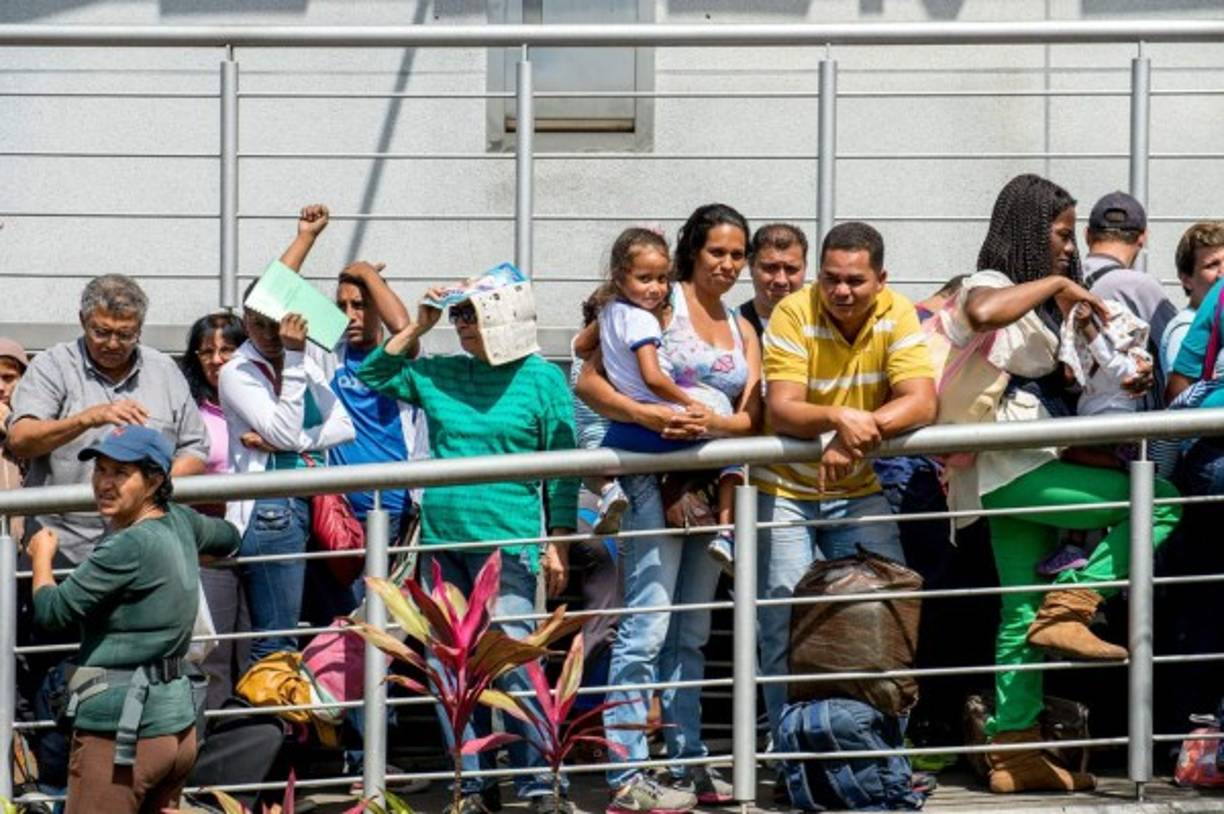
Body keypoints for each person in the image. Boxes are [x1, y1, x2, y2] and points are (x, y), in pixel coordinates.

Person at [941, 173, 1181, 793]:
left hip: (1011, 469)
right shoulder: (990, 282)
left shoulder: (1043, 306)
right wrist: (1060, 285)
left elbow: (1057, 389)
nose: (1070, 247)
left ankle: (1014, 749)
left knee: (1020, 611)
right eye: (1060, 233)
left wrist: (1122, 380)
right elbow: (983, 313)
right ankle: (1077, 597)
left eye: (1071, 237)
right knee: (1161, 501)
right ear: (1027, 230)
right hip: (1013, 466)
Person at [357, 273, 578, 814]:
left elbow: (565, 471)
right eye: (458, 316)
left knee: (516, 662)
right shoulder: (442, 372)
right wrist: (418, 325)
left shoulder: (542, 379)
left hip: (510, 543)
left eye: (471, 316)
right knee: (453, 670)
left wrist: (559, 542)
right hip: (443, 542)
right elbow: (374, 373)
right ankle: (473, 784)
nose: (462, 327)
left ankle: (540, 784)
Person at [577, 203, 761, 812]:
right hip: (651, 475)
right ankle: (627, 774)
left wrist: (717, 423)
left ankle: (686, 761)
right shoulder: (655, 302)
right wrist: (648, 414)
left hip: (709, 484)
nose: (729, 265)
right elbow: (588, 381)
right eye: (718, 252)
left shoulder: (741, 324)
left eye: (738, 254)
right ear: (692, 251)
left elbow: (750, 415)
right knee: (646, 627)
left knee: (692, 631)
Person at [754, 220, 935, 743]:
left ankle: (883, 758)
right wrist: (840, 417)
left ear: (882, 279)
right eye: (831, 278)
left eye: (855, 280)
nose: (841, 291)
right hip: (783, 490)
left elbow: (923, 399)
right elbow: (783, 409)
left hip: (856, 487)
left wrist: (856, 429)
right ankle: (790, 757)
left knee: (889, 610)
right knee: (784, 624)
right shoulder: (794, 311)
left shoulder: (897, 311)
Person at [27, 425, 241, 814]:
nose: (104, 484)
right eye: (100, 470)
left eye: (120, 474)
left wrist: (41, 555)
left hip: (121, 735)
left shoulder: (127, 546)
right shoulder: (180, 522)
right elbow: (229, 537)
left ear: (155, 480)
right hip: (176, 729)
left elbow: (53, 611)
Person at [218, 209, 355, 665]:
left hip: (320, 502)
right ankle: (269, 736)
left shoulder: (307, 357)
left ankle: (317, 731)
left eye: (275, 322)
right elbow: (280, 427)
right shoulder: (238, 371)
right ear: (245, 322)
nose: (269, 334)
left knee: (337, 632)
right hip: (271, 508)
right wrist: (294, 364)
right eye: (257, 324)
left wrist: (293, 440)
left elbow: (343, 426)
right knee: (276, 640)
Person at [5, 274, 209, 561]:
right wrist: (87, 419)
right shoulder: (52, 365)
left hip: (146, 546)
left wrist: (145, 494)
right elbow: (21, 439)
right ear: (82, 320)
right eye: (101, 332)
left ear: (140, 328)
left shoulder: (164, 370)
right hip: (62, 551)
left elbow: (196, 448)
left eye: (125, 335)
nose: (113, 344)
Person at [574, 226, 743, 571]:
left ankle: (609, 493)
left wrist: (606, 344)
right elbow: (653, 377)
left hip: (632, 424)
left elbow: (578, 347)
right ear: (621, 277)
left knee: (594, 463)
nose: (655, 288)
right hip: (660, 421)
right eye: (644, 278)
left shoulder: (609, 312)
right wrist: (689, 402)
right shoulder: (643, 321)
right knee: (734, 453)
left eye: (662, 279)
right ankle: (726, 531)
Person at [181, 312, 250, 708]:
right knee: (216, 651)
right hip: (212, 543)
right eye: (207, 351)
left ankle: (263, 746)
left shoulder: (261, 400)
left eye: (227, 349)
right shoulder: (191, 409)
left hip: (264, 535)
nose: (217, 359)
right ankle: (219, 755)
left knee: (258, 647)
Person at [1080, 191, 1178, 407]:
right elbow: (1177, 349)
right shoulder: (1140, 287)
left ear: (1087, 235)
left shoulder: (1064, 280)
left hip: (1065, 418)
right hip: (1121, 418)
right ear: (1142, 238)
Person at [1162, 221, 1224, 382]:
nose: (1222, 273)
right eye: (1212, 265)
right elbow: (1183, 399)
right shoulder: (1185, 329)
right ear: (1186, 279)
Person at [738, 222, 809, 339]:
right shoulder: (731, 327)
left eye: (791, 269)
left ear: (805, 268)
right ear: (751, 266)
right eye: (770, 268)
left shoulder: (824, 327)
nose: (781, 280)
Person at [0, 337, 29, 542]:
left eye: (8, 378)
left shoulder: (38, 423)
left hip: (25, 552)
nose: (0, 387)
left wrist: (10, 428)